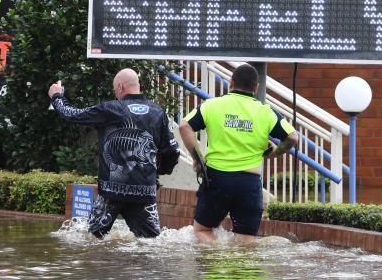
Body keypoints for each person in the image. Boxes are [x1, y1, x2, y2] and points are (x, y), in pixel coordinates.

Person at [48, 68, 179, 238]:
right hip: (144, 191)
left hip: (111, 192)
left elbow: (73, 115)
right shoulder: (158, 112)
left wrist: (57, 96)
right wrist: (158, 172)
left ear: (120, 86)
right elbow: (173, 151)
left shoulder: (110, 109)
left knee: (92, 239)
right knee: (150, 243)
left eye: (114, 89)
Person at [179, 64, 298, 243]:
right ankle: (241, 270)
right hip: (249, 184)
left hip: (217, 180)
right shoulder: (266, 112)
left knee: (203, 230)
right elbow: (292, 138)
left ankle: (216, 259)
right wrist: (274, 153)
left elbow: (184, 126)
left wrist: (198, 158)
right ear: (256, 88)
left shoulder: (212, 105)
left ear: (231, 83)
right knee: (246, 240)